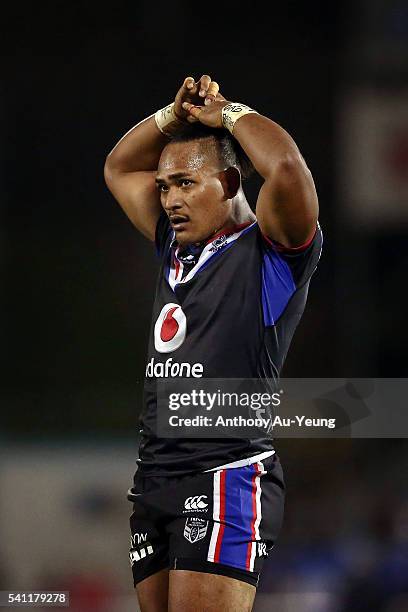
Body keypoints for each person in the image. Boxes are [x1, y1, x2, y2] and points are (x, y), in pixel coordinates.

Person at [104, 74, 322, 612]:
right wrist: (169, 118)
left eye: (184, 183)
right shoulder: (172, 247)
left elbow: (287, 168)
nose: (169, 199)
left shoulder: (271, 253)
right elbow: (118, 167)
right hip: (155, 473)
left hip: (226, 473)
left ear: (227, 183)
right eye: (164, 187)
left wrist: (227, 113)